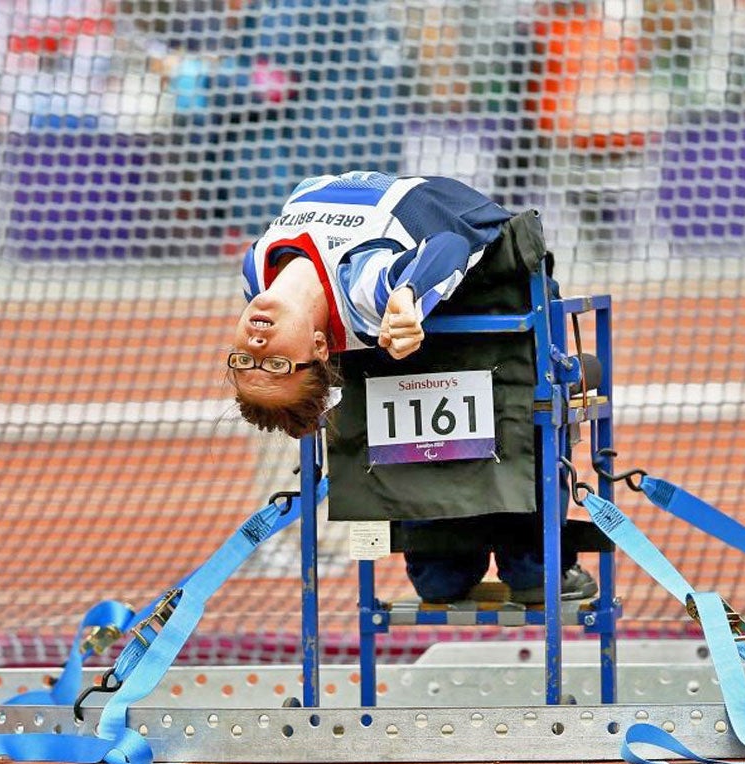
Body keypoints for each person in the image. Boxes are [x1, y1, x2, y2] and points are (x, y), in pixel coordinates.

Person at [228, 170, 596, 605]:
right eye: (275, 363)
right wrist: (408, 292)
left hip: (425, 268)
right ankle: (529, 563)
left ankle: (460, 564)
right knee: (536, 375)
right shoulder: (363, 288)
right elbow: (451, 245)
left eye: (243, 362)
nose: (255, 344)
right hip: (475, 248)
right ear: (320, 345)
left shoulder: (256, 273)